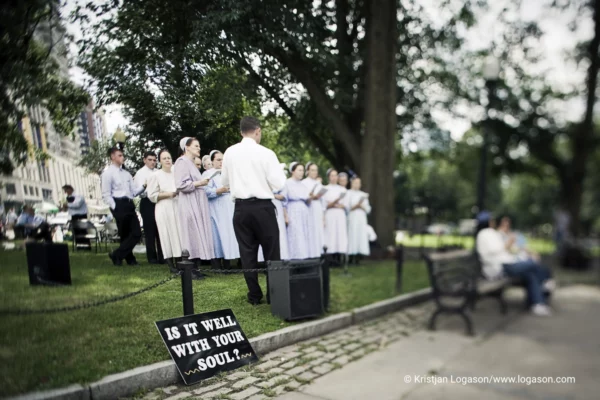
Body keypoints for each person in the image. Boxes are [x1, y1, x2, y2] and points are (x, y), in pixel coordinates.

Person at [221, 116, 286, 305]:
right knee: (272, 252)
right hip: (263, 208)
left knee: (247, 253)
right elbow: (280, 183)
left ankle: (254, 296)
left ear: (241, 132)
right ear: (257, 130)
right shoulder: (266, 153)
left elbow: (224, 181)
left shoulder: (230, 152)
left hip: (240, 208)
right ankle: (274, 295)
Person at [475, 212, 554, 317]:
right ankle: (546, 283)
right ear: (488, 221)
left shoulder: (490, 233)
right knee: (533, 264)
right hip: (500, 267)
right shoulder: (485, 233)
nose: (493, 221)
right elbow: (496, 250)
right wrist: (508, 244)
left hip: (507, 264)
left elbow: (504, 249)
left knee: (530, 275)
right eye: (491, 220)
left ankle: (537, 303)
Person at [174, 137, 214, 277]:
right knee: (190, 233)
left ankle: (196, 268)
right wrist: (200, 183)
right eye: (196, 146)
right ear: (187, 147)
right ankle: (189, 269)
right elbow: (180, 185)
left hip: (197, 201)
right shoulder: (181, 162)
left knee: (197, 233)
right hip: (189, 201)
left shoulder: (190, 163)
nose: (199, 148)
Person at [102, 147, 145, 266]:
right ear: (112, 157)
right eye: (119, 155)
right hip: (118, 203)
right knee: (125, 233)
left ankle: (117, 255)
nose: (123, 158)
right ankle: (130, 259)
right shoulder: (108, 173)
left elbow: (133, 192)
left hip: (129, 203)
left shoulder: (126, 174)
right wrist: (114, 206)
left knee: (136, 233)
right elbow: (106, 193)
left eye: (122, 155)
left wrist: (144, 186)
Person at [146, 149, 183, 273]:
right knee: (166, 233)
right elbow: (152, 195)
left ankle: (179, 261)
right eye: (164, 158)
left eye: (169, 157)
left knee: (178, 233)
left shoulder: (176, 173)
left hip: (176, 206)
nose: (167, 160)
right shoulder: (155, 176)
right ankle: (170, 264)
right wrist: (168, 194)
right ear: (160, 161)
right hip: (164, 207)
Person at [205, 150, 240, 270]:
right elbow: (206, 192)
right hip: (216, 207)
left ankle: (228, 262)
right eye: (218, 160)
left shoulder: (229, 173)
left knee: (229, 233)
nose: (221, 162)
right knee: (218, 234)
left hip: (229, 206)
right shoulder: (208, 174)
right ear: (212, 161)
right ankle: (216, 264)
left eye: (223, 160)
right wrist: (219, 190)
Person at [134, 151, 163, 265]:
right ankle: (152, 257)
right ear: (144, 160)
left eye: (154, 160)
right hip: (147, 202)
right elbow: (138, 193)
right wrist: (148, 188)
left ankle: (162, 256)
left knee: (160, 229)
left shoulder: (158, 172)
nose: (152, 162)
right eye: (150, 160)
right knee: (150, 230)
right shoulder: (140, 173)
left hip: (158, 200)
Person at [285, 162, 312, 260]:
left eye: (303, 170)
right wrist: (286, 215)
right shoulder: (287, 183)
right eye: (299, 170)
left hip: (303, 210)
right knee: (295, 233)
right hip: (293, 209)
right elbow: (285, 200)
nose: (302, 173)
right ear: (293, 171)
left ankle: (304, 255)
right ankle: (294, 256)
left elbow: (307, 199)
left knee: (304, 232)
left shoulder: (303, 185)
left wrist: (310, 197)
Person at [323, 168, 349, 260]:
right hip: (330, 215)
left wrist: (334, 204)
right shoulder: (325, 189)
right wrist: (335, 202)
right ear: (329, 177)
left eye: (336, 175)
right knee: (330, 234)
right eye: (332, 175)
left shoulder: (342, 189)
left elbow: (345, 205)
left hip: (340, 215)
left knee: (340, 234)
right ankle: (330, 256)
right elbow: (325, 205)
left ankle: (340, 256)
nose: (334, 178)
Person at [302, 162, 326, 257]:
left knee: (318, 230)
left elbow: (323, 201)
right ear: (307, 171)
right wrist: (310, 196)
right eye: (312, 170)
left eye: (316, 170)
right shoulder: (303, 183)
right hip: (309, 207)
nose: (314, 172)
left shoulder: (318, 183)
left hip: (318, 208)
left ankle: (319, 253)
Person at [347, 176, 372, 264]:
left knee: (360, 236)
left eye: (359, 183)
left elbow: (368, 209)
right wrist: (356, 206)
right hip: (352, 218)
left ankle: (359, 257)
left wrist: (362, 206)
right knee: (352, 236)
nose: (357, 185)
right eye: (356, 183)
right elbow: (347, 207)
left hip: (361, 219)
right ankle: (351, 257)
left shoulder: (363, 195)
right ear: (352, 183)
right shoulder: (348, 193)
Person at [62, 184, 90, 248]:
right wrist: (65, 208)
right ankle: (79, 246)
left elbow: (77, 205)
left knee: (82, 231)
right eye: (65, 191)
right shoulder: (69, 197)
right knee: (76, 231)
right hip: (74, 216)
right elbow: (69, 207)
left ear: (70, 189)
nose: (66, 192)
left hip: (81, 215)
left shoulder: (78, 195)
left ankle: (86, 246)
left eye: (66, 190)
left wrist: (67, 205)